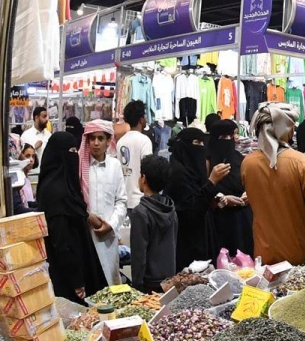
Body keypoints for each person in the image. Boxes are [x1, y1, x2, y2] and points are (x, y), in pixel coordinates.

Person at [241, 103, 305, 265]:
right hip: (298, 253)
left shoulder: (247, 163)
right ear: (285, 130)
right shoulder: (299, 162)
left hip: (264, 253)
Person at [35, 131, 107, 301]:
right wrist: (76, 280)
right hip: (68, 275)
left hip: (73, 267)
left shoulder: (58, 185)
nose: (75, 156)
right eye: (72, 151)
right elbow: (62, 243)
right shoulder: (57, 193)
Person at [168, 127, 231, 269]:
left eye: (203, 143)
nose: (201, 147)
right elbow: (189, 210)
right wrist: (212, 181)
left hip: (203, 233)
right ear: (184, 145)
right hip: (188, 240)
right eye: (197, 142)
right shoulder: (177, 174)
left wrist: (214, 201)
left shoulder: (193, 169)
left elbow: (200, 196)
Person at [79, 120, 127, 285]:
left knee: (110, 281)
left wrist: (110, 225)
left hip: (109, 237)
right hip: (86, 235)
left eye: (100, 138)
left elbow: (121, 201)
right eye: (92, 138)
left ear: (108, 141)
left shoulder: (115, 166)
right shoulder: (80, 166)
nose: (96, 143)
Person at [128, 155, 177, 292]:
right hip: (169, 278)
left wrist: (136, 285)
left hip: (148, 282)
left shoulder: (140, 212)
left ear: (143, 178)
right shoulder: (171, 209)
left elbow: (139, 255)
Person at [208, 119, 251, 255]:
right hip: (220, 218)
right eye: (224, 136)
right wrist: (223, 199)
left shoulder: (239, 158)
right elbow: (203, 190)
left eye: (232, 135)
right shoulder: (208, 160)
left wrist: (248, 194)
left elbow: (248, 182)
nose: (229, 140)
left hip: (242, 217)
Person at [117, 100, 153, 210]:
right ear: (141, 120)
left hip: (123, 200)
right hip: (140, 201)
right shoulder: (144, 141)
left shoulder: (120, 142)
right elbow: (148, 169)